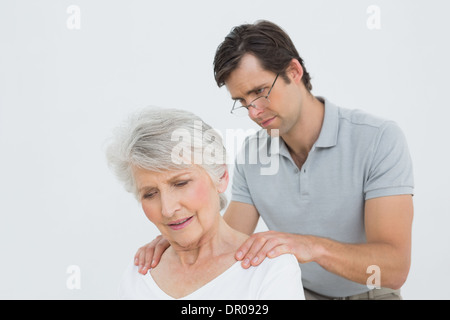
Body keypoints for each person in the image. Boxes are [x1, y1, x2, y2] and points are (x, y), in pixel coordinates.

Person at [134, 20, 414, 300]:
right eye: (242, 101)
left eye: (260, 91)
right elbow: (227, 241)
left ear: (294, 71)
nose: (254, 111)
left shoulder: (377, 139)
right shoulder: (252, 155)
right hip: (297, 292)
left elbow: (393, 268)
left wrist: (311, 247)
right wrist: (177, 239)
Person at [106, 107, 305, 299]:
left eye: (181, 183)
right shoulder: (137, 276)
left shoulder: (270, 269)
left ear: (221, 176)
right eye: (150, 194)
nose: (167, 209)